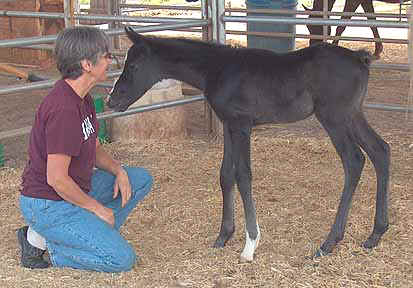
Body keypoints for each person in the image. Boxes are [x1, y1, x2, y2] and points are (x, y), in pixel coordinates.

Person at [17, 26, 153, 272]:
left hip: (77, 188)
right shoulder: (64, 109)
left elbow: (93, 145)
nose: (110, 60)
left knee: (139, 180)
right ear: (87, 65)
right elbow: (56, 179)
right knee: (121, 260)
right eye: (105, 55)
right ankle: (45, 246)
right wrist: (98, 209)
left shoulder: (82, 96)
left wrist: (118, 170)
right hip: (49, 203)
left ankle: (86, 232)